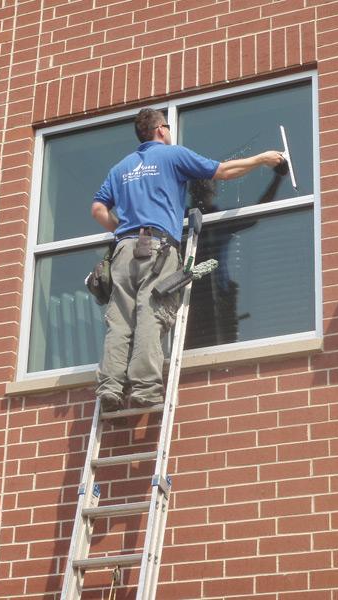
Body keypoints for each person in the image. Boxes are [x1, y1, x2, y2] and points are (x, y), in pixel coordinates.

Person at [91, 108, 284, 412]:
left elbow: (98, 210)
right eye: (168, 126)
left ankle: (111, 388)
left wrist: (124, 233)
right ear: (160, 130)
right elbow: (223, 171)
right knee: (150, 316)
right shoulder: (171, 155)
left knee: (120, 322)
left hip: (124, 252)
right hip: (156, 248)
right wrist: (262, 159)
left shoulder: (121, 168)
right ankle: (144, 388)